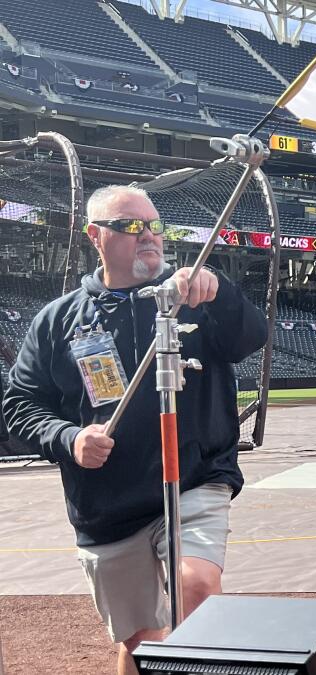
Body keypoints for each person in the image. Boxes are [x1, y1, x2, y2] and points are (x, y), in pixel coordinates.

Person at [2, 185, 268, 674]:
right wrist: (70, 439)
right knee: (142, 644)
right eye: (129, 226)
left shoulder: (194, 295)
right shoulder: (57, 321)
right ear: (95, 236)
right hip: (107, 505)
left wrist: (221, 292)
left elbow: (250, 338)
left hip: (192, 478)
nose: (147, 236)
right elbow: (18, 406)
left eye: (154, 225)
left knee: (197, 588)